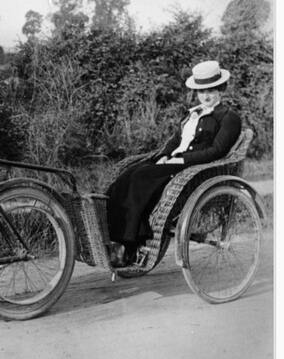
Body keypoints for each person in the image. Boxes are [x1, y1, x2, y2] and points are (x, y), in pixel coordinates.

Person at [104, 60, 242, 267]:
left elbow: (218, 150)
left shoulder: (228, 117)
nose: (206, 96)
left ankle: (128, 245)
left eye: (211, 90)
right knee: (127, 176)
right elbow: (176, 140)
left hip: (194, 168)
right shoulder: (192, 114)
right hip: (174, 161)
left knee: (141, 179)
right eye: (202, 91)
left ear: (221, 89)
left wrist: (182, 159)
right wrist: (165, 154)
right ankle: (113, 236)